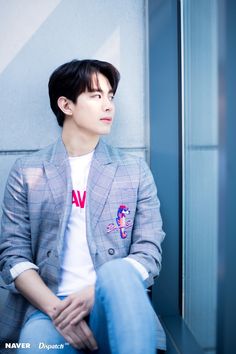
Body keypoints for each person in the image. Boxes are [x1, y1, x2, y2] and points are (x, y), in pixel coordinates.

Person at [0, 59, 166, 353]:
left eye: (110, 96)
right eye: (96, 95)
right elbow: (13, 257)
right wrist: (58, 312)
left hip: (115, 303)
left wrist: (94, 292)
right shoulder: (27, 170)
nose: (108, 106)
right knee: (33, 348)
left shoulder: (133, 170)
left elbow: (149, 251)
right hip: (50, 308)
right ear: (66, 105)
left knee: (116, 273)